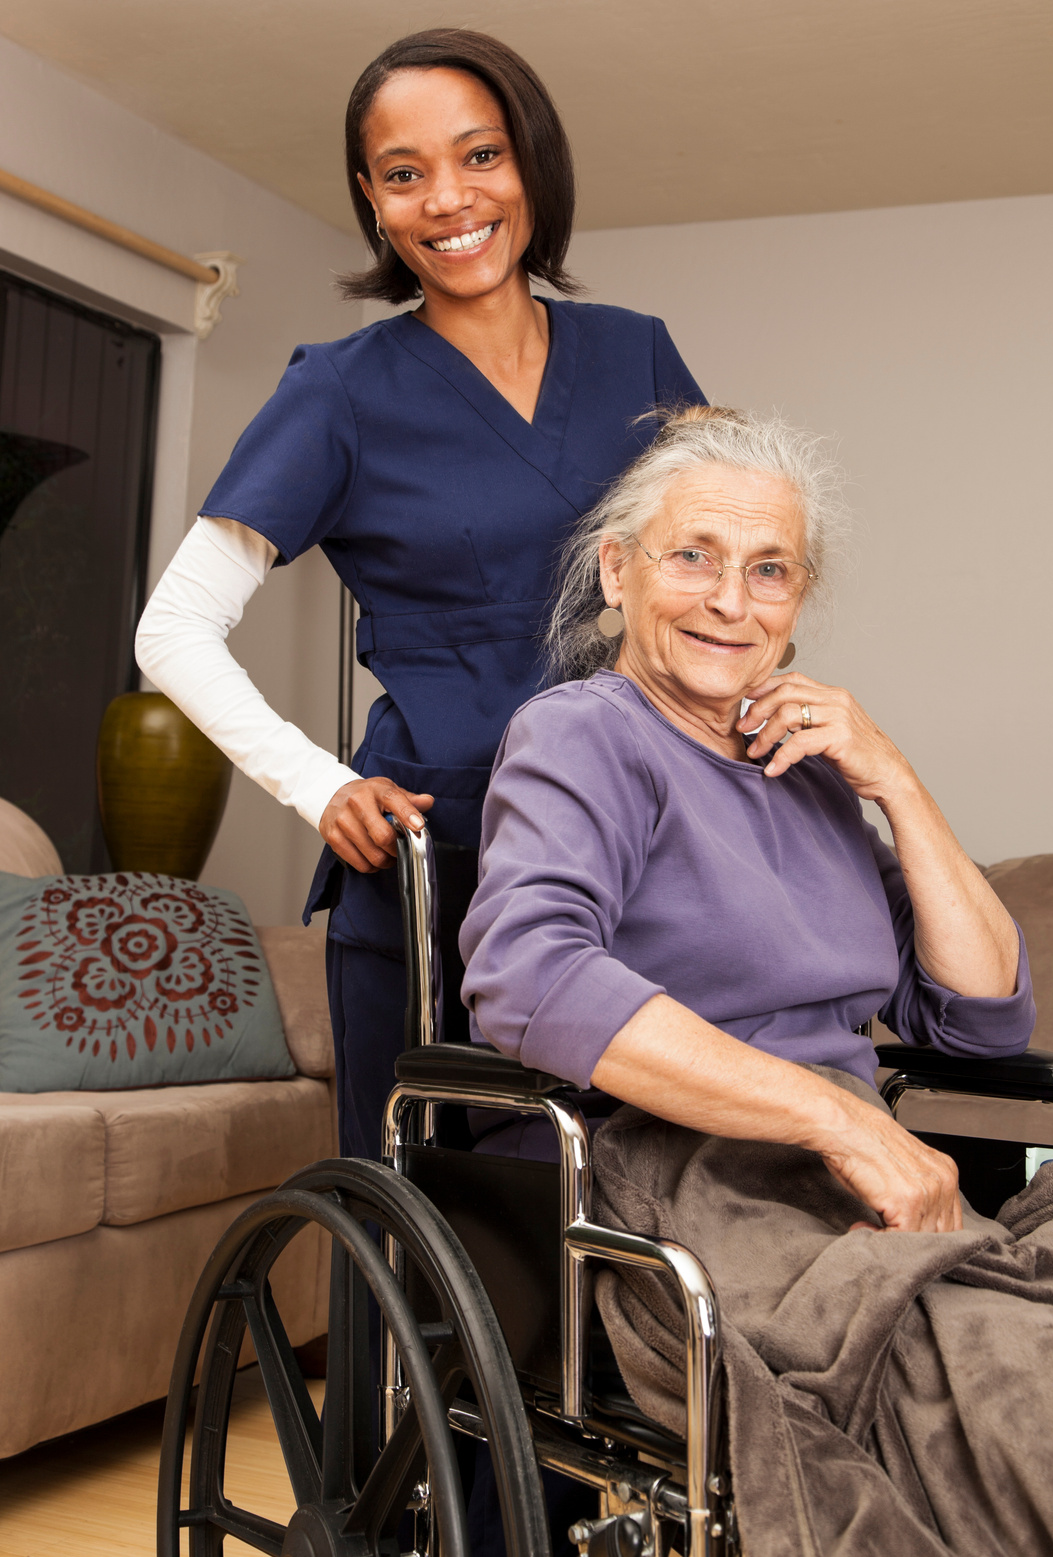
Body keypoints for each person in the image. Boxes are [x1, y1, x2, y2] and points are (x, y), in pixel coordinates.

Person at [460, 407, 1053, 1553]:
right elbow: (529, 976)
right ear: (616, 573)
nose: (731, 600)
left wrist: (893, 781)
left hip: (847, 1172)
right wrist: (839, 1122)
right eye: (694, 558)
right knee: (1037, 1379)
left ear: (797, 601)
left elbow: (977, 1017)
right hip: (678, 1180)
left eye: (767, 570)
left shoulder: (803, 767)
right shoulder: (584, 736)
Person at [135, 28, 704, 1167]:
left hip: (637, 838)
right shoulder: (340, 392)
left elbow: (718, 574)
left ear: (531, 163)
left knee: (641, 1192)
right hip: (439, 851)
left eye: (479, 155)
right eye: (404, 174)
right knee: (442, 1224)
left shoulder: (637, 357)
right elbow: (172, 627)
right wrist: (318, 786)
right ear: (372, 202)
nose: (448, 199)